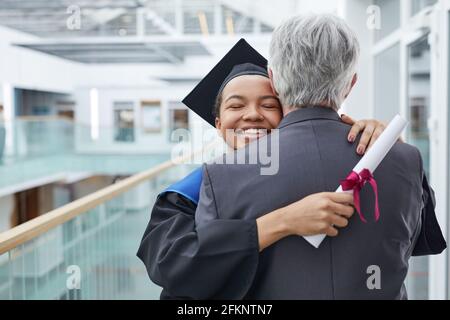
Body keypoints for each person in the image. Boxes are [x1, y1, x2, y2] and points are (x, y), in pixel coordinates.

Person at [190, 14, 446, 299]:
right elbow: (413, 238)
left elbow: (208, 275)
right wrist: (394, 149)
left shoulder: (222, 175)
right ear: (351, 83)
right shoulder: (404, 159)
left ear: (273, 80)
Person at [137, 39, 391, 299]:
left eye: (269, 105)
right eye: (236, 106)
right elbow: (171, 265)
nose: (253, 115)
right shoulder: (188, 192)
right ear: (218, 123)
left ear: (288, 116)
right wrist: (282, 222)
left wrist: (384, 143)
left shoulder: (315, 171)